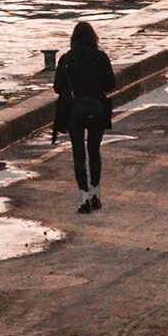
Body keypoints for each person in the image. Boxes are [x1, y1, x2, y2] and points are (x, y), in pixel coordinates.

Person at [54, 20, 115, 212]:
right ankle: (96, 194)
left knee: (78, 154)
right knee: (94, 150)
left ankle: (84, 199)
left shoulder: (66, 60)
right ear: (93, 38)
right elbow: (110, 85)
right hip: (97, 110)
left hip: (74, 112)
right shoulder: (101, 57)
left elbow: (57, 87)